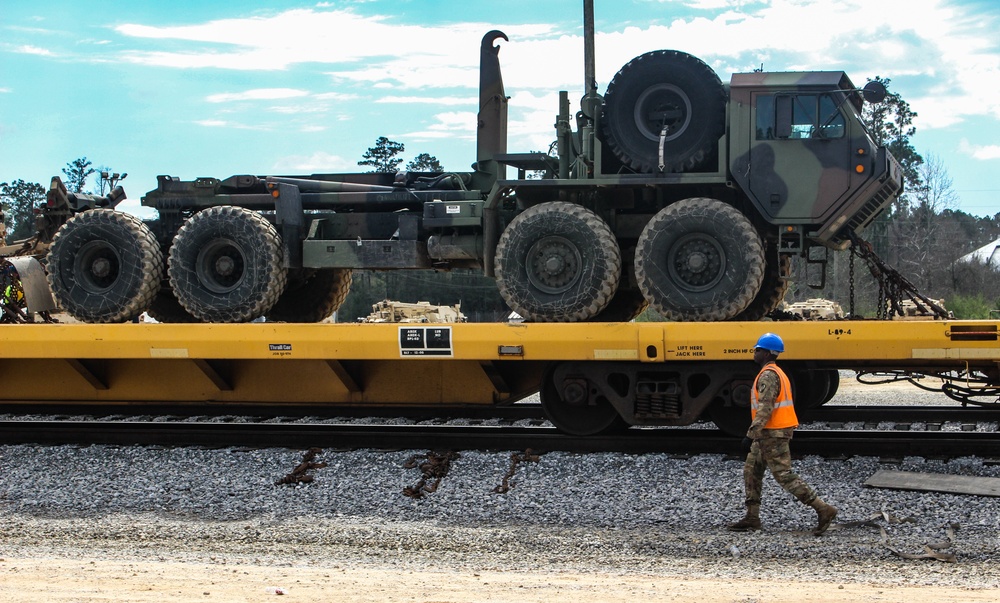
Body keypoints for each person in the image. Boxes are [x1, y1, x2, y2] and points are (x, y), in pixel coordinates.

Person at [728, 332, 838, 535]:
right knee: (751, 471)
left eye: (758, 349)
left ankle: (824, 509)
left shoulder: (769, 375)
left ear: (768, 353)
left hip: (773, 434)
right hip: (767, 433)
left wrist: (751, 434)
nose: (755, 352)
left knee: (784, 475)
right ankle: (752, 517)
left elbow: (766, 407)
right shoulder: (774, 372)